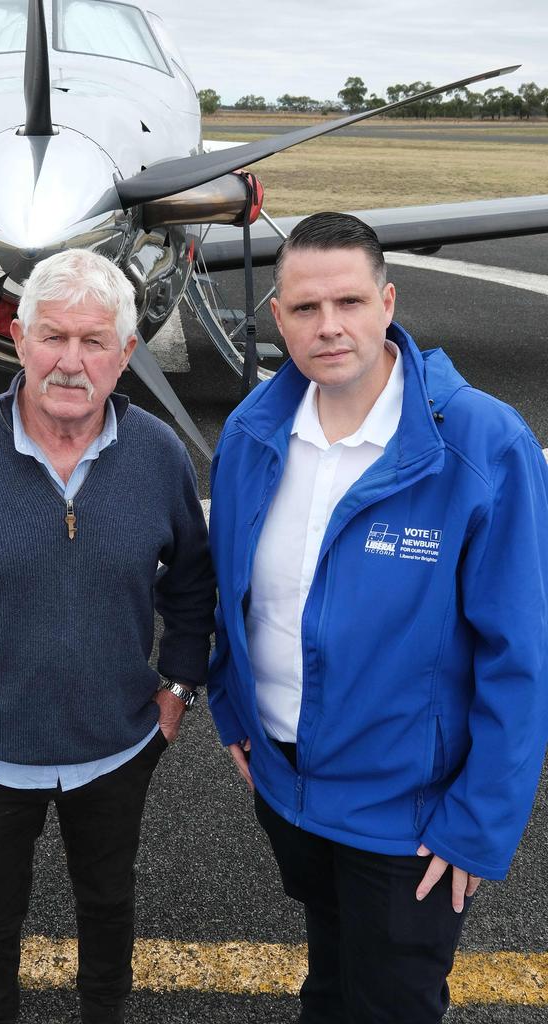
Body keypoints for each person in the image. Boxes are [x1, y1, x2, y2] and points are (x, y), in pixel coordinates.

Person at [207, 211, 548, 1023]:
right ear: (278, 317)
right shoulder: (254, 432)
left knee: (393, 1001)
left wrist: (478, 823)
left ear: (388, 303)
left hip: (410, 819)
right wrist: (231, 705)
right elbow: (232, 590)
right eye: (305, 308)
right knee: (330, 975)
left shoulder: (482, 444)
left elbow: (522, 655)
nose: (330, 327)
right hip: (287, 789)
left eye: (350, 302)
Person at [0, 248, 215, 1024]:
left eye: (95, 341)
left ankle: (105, 1012)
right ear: (18, 341)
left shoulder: (158, 455)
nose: (71, 361)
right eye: (52, 337)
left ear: (126, 355)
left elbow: (193, 583)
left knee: (108, 903)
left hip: (119, 744)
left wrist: (179, 685)